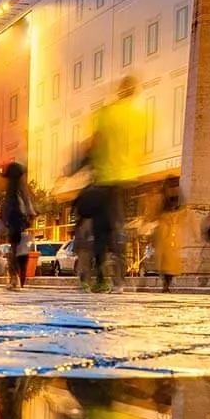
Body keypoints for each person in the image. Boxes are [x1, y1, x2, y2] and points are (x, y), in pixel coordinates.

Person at [75, 77, 142, 292]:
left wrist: (73, 169)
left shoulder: (105, 114)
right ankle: (117, 279)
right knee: (116, 228)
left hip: (104, 180)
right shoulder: (139, 117)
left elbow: (94, 143)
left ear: (120, 90)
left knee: (102, 230)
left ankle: (104, 277)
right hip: (126, 178)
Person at [0, 162, 34, 291]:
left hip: (11, 217)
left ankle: (13, 278)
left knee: (13, 248)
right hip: (19, 216)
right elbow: (26, 198)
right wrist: (30, 213)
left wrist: (3, 218)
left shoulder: (9, 187)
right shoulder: (20, 185)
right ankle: (16, 276)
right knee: (18, 249)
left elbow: (5, 204)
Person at [154, 191, 181, 293]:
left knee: (168, 268)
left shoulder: (168, 219)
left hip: (169, 247)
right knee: (167, 268)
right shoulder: (166, 220)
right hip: (167, 247)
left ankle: (166, 285)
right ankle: (166, 285)